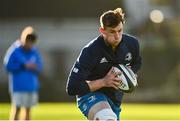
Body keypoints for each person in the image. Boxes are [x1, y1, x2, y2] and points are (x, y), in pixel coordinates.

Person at [66, 8, 142, 120]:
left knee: (110, 117)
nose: (117, 36)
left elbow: (137, 63)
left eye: (120, 30)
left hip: (115, 99)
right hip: (90, 95)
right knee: (106, 117)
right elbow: (72, 88)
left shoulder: (132, 44)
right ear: (102, 31)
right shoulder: (91, 51)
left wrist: (131, 74)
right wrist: (104, 82)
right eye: (112, 32)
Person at [3, 26, 43, 120]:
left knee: (28, 110)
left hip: (31, 86)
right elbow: (8, 66)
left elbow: (40, 67)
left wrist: (34, 67)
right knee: (17, 108)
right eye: (28, 40)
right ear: (24, 39)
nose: (29, 44)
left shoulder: (34, 52)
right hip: (18, 86)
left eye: (31, 42)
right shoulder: (15, 50)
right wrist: (22, 66)